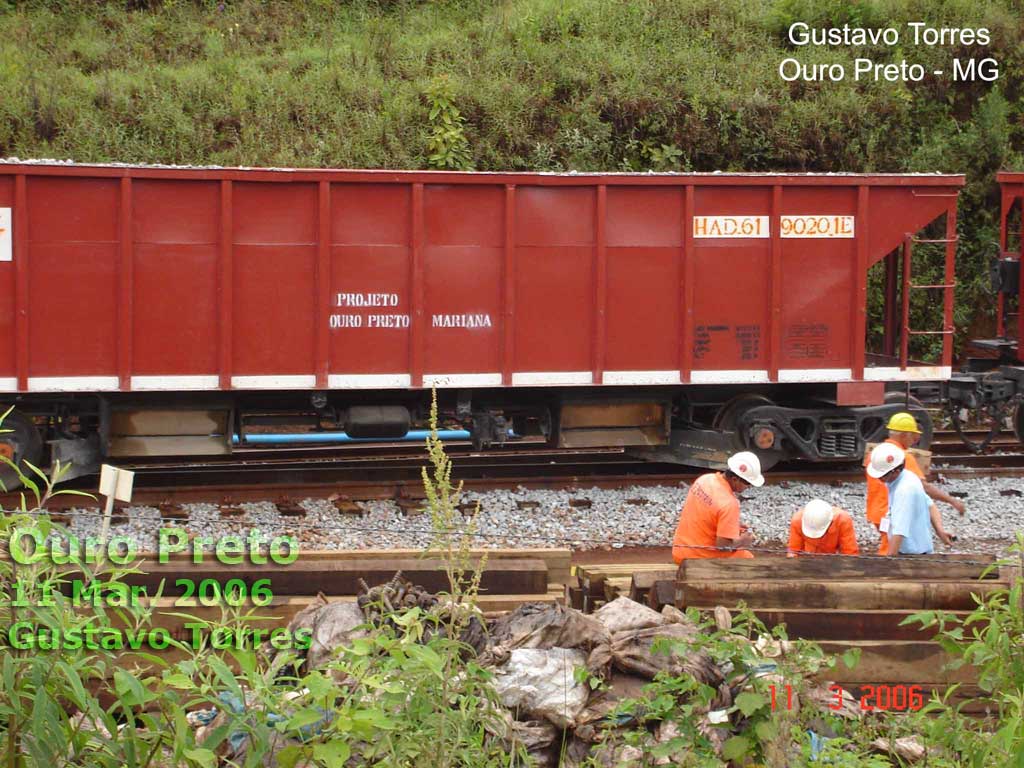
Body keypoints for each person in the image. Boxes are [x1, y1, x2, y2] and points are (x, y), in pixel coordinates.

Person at [865, 412, 963, 554]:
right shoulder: (903, 459)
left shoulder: (877, 454)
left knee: (890, 547)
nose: (915, 439)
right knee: (893, 551)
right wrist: (952, 501)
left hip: (877, 513)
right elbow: (925, 489)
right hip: (892, 513)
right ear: (904, 435)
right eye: (913, 435)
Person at [672, 451, 763, 563]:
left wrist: (732, 526)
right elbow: (723, 547)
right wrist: (744, 540)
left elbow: (708, 515)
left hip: (680, 551)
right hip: (697, 560)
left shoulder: (705, 479)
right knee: (749, 562)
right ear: (735, 479)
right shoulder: (729, 503)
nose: (749, 487)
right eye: (748, 483)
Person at [866, 443, 934, 556]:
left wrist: (890, 560)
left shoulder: (904, 491)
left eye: (882, 475)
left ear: (895, 471)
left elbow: (899, 531)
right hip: (917, 549)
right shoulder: (908, 477)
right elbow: (929, 504)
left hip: (911, 555)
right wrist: (940, 531)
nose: (879, 478)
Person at [787, 499, 859, 557]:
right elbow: (793, 550)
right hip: (806, 562)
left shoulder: (843, 520)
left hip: (831, 563)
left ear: (830, 522)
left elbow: (849, 553)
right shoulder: (797, 520)